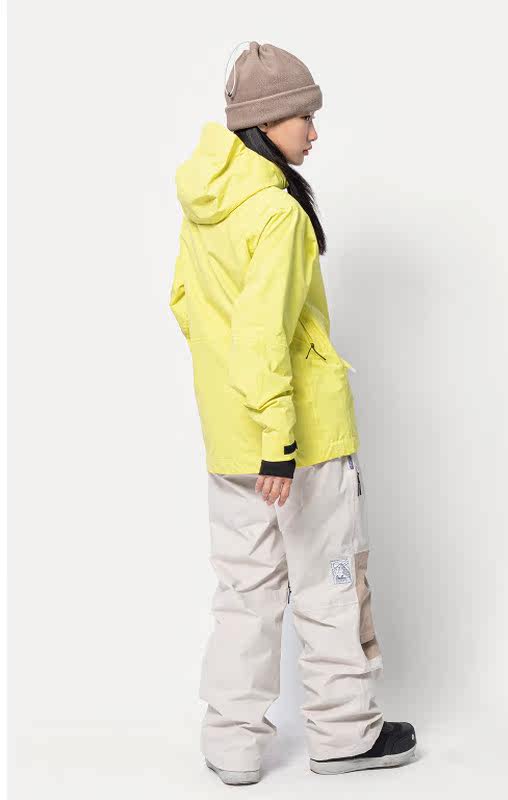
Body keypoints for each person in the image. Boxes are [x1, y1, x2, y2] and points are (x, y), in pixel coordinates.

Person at [169, 40, 416, 785]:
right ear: (266, 121)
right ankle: (343, 734)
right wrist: (279, 436)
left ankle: (231, 746)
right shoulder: (275, 212)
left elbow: (185, 305)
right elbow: (262, 334)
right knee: (329, 581)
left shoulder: (205, 204)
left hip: (231, 438)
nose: (313, 130)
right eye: (303, 115)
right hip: (298, 442)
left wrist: (239, 406)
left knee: (244, 592)